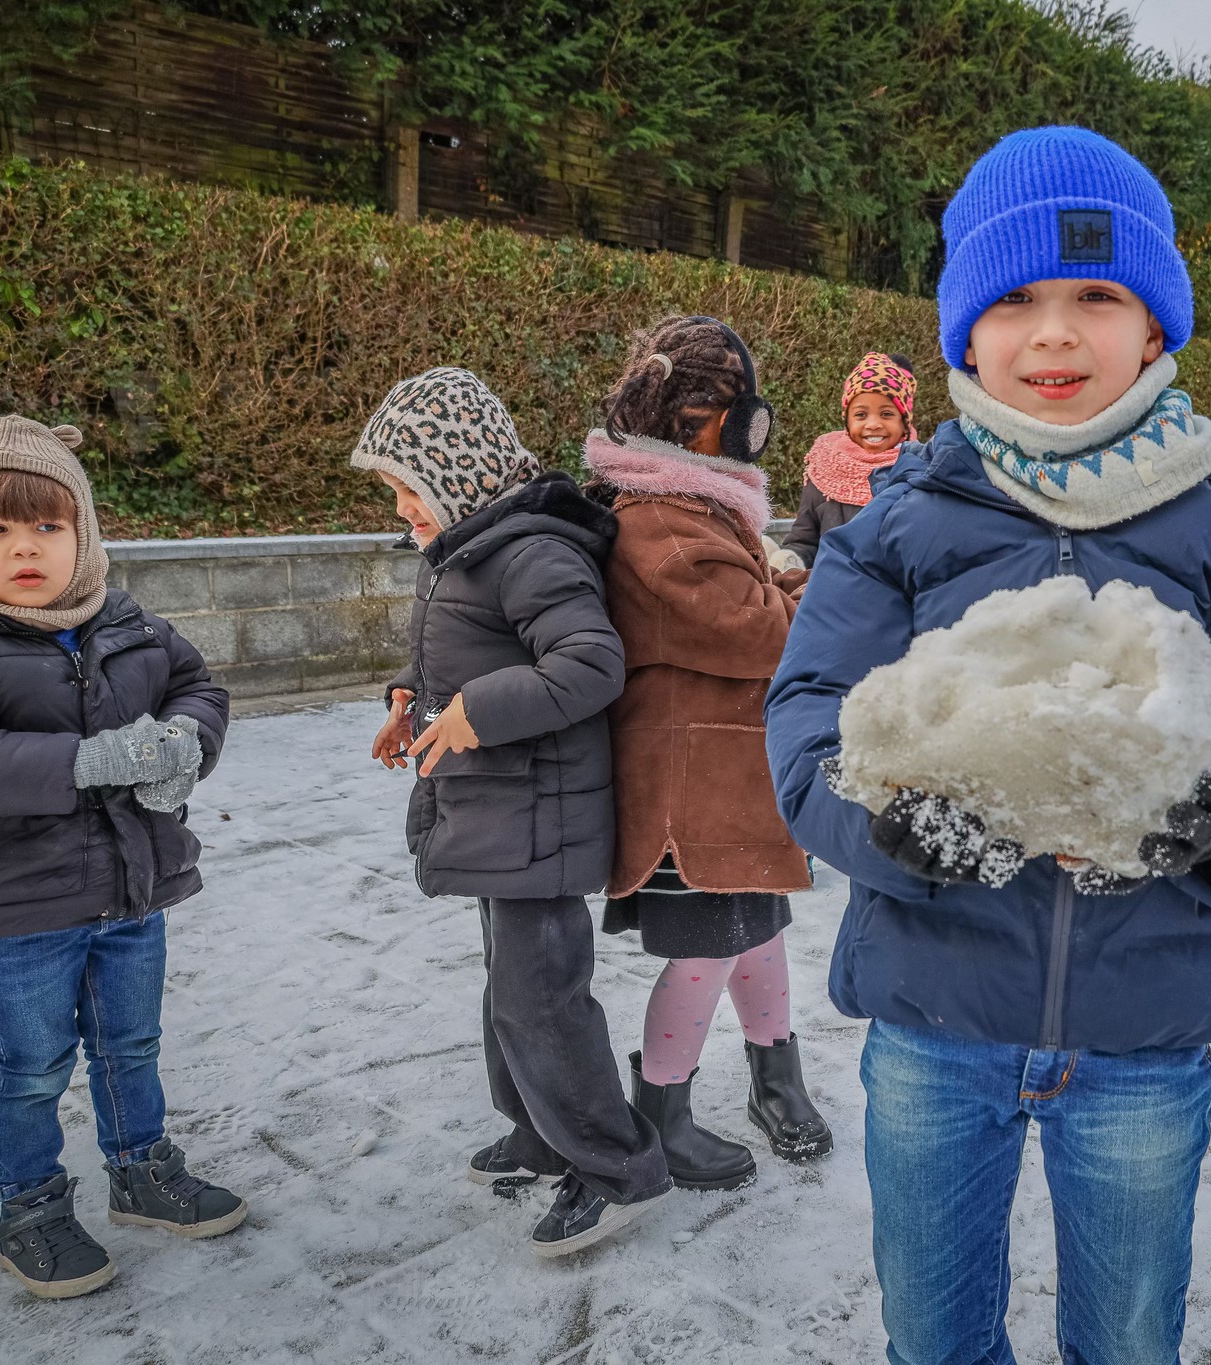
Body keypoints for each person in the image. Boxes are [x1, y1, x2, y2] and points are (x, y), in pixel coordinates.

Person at [764, 127, 1211, 1363]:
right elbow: (804, 726)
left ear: (1154, 331)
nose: (1053, 334)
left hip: (1143, 1036)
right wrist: (881, 823)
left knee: (1129, 1340)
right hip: (936, 1020)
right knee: (933, 1339)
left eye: (1096, 296)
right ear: (964, 334)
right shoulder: (895, 533)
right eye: (1015, 301)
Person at [356, 367, 669, 1258]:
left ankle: (618, 1167)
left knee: (543, 1002)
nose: (402, 505)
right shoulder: (468, 547)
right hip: (498, 811)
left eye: (407, 485)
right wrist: (407, 698)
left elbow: (588, 664)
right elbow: (457, 652)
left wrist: (475, 713)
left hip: (542, 816)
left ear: (457, 471)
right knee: (510, 993)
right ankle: (540, 1131)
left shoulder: (533, 551)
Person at [0, 412, 240, 1300]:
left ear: (84, 530)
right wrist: (88, 760)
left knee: (130, 1043)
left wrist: (186, 740)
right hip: (16, 905)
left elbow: (199, 686)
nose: (24, 547)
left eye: (47, 524)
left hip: (129, 886)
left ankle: (142, 1167)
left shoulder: (122, 616)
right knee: (32, 1064)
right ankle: (28, 1205)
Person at [583, 315, 831, 1194]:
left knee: (754, 936)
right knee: (706, 952)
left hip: (732, 782)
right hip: (694, 796)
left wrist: (791, 580)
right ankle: (662, 1112)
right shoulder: (664, 522)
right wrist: (826, 605)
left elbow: (757, 585)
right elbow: (758, 631)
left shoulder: (693, 508)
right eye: (746, 412)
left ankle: (776, 1079)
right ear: (708, 418)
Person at [777, 352, 918, 570]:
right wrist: (791, 560)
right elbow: (804, 541)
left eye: (887, 414)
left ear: (905, 423)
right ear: (847, 420)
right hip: (833, 591)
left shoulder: (920, 472)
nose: (873, 424)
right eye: (861, 415)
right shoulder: (825, 471)